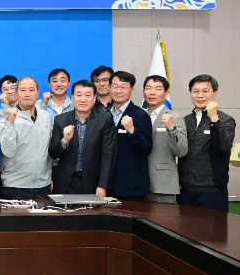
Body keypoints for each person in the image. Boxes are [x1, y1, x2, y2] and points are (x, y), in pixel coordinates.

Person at [178, 74, 236, 212]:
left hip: (213, 191)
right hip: (186, 190)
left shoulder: (226, 120)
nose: (200, 95)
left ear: (215, 93)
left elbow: (223, 146)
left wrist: (214, 119)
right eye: (195, 91)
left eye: (205, 91)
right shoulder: (185, 120)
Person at [49, 79, 116, 196]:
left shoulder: (105, 119)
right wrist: (64, 141)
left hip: (93, 182)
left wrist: (103, 185)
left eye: (88, 95)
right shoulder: (60, 120)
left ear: (94, 99)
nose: (83, 99)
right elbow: (53, 153)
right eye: (79, 95)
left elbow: (108, 154)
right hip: (65, 183)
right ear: (72, 98)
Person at [0, 77, 53, 197]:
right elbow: (8, 152)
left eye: (31, 90)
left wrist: (49, 178)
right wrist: (9, 124)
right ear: (16, 93)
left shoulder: (46, 116)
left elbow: (48, 150)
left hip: (43, 185)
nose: (27, 94)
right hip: (15, 186)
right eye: (23, 90)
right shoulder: (6, 120)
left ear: (38, 93)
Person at [143, 75, 188, 203]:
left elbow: (182, 151)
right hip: (138, 182)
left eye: (158, 89)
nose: (152, 92)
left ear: (166, 93)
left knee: (162, 216)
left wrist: (171, 129)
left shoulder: (175, 117)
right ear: (143, 92)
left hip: (163, 183)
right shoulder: (138, 116)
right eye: (148, 88)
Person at [109, 71, 152, 199]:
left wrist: (133, 131)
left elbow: (147, 148)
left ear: (131, 89)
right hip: (109, 185)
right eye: (115, 86)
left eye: (123, 87)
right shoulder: (105, 114)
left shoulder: (140, 115)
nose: (118, 91)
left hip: (132, 186)